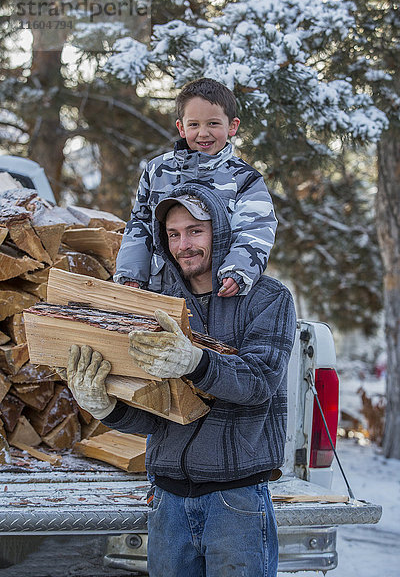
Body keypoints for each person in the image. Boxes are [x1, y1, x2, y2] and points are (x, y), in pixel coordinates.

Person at [67, 185, 296, 577]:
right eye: (173, 234)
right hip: (168, 503)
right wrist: (106, 407)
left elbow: (260, 381)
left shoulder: (267, 299)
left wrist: (196, 361)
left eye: (194, 231)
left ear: (220, 232)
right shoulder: (158, 304)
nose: (183, 244)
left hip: (235, 501)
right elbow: (156, 416)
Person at [114, 77, 277, 297]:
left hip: (215, 291)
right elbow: (140, 224)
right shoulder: (157, 171)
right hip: (161, 287)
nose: (203, 133)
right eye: (194, 124)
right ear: (181, 128)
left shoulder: (244, 178)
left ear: (232, 126)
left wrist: (239, 271)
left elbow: (256, 229)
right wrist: (132, 274)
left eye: (213, 123)